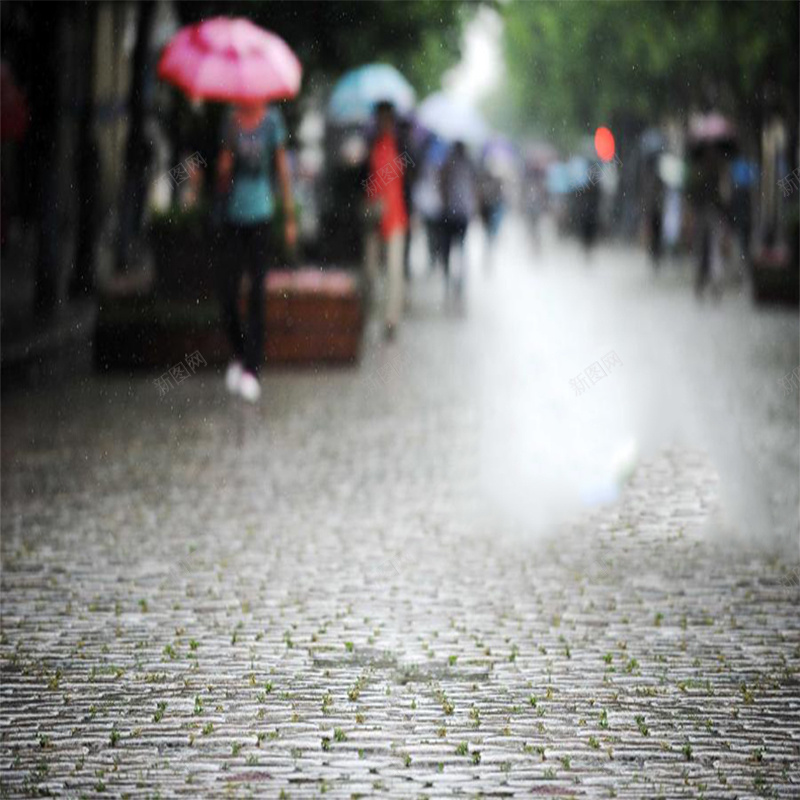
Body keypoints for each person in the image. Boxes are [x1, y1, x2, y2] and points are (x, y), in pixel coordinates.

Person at [215, 101, 296, 402]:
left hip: (261, 214)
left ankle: (252, 367)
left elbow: (282, 169)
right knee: (228, 292)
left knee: (258, 292)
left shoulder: (272, 121)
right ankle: (239, 352)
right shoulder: (231, 121)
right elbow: (222, 175)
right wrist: (223, 169)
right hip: (234, 214)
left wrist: (289, 216)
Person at [363, 101, 409, 340]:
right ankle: (368, 314)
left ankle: (391, 319)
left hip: (396, 216)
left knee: (394, 271)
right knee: (370, 271)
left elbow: (411, 177)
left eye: (386, 118)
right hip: (374, 216)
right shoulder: (371, 145)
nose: (383, 123)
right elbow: (365, 179)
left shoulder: (402, 147)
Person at [440, 140, 477, 296]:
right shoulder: (470, 164)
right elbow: (475, 188)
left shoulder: (447, 163)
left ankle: (449, 281)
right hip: (462, 214)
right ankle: (458, 284)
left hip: (450, 213)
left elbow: (441, 185)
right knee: (461, 249)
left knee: (448, 251)